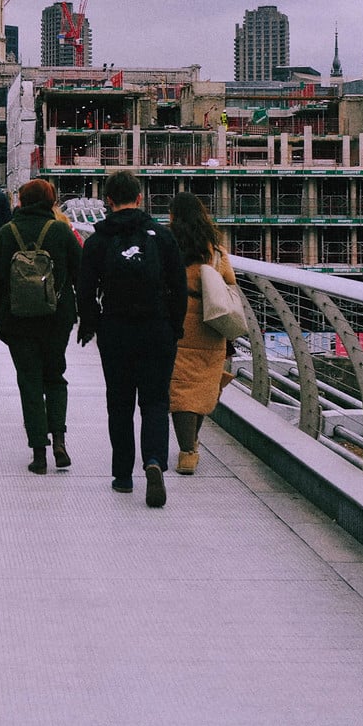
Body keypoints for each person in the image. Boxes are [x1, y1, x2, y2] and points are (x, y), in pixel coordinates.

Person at [76, 170, 186, 508]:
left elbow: (84, 288)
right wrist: (174, 327)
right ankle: (153, 461)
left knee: (120, 404)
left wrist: (91, 325)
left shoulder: (97, 240)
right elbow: (179, 287)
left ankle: (123, 475)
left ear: (108, 201)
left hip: (116, 330)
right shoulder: (162, 236)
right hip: (156, 329)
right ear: (139, 198)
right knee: (155, 401)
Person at [0, 178, 80, 473]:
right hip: (56, 318)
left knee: (29, 382)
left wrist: (1, 322)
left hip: (19, 320)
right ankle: (60, 441)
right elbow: (81, 272)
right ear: (50, 202)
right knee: (55, 377)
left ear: (21, 202)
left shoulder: (6, 232)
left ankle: (39, 453)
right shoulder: (61, 230)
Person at [167, 192, 238, 475]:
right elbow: (229, 283)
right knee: (204, 384)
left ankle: (188, 450)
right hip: (211, 323)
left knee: (180, 386)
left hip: (178, 322)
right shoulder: (215, 250)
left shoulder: (168, 243)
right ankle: (192, 441)